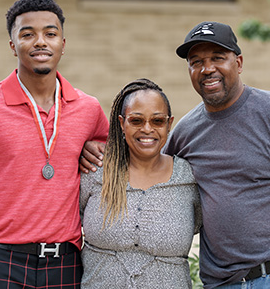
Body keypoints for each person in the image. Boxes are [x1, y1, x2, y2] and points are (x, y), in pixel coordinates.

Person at [80, 22, 270, 289]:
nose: (207, 69)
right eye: (196, 61)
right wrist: (94, 148)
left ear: (239, 62)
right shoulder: (186, 132)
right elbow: (149, 162)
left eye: (218, 58)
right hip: (222, 283)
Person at [0, 0, 109, 289]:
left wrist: (93, 148)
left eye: (50, 33)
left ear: (63, 44)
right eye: (28, 34)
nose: (40, 42)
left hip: (65, 263)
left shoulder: (89, 110)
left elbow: (112, 160)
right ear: (13, 45)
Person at [80, 78, 202, 288]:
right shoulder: (95, 171)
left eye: (157, 121)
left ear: (169, 124)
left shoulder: (189, 178)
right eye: (136, 121)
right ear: (121, 123)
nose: (147, 129)